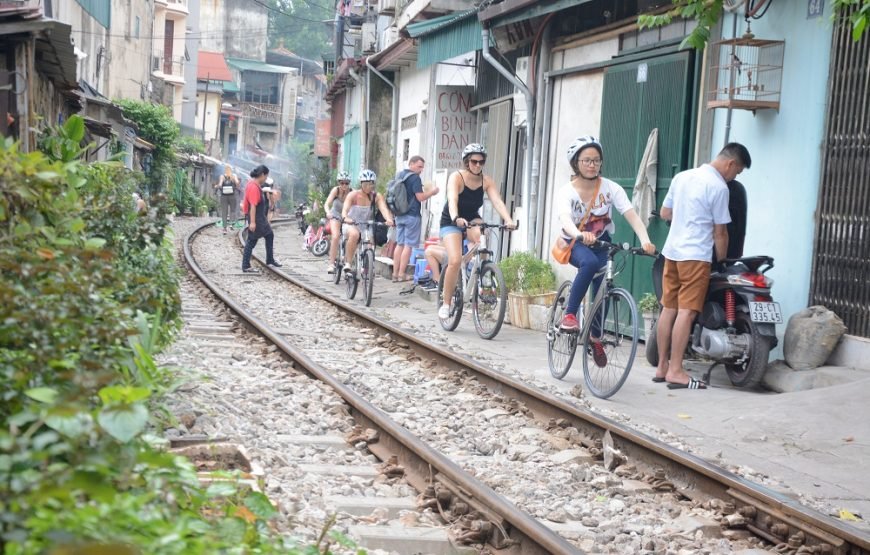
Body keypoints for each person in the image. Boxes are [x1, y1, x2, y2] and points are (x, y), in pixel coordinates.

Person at [655, 142, 751, 389]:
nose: (734, 177)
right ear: (730, 164)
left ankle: (662, 366)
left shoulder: (682, 176)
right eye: (737, 172)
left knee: (669, 308)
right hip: (695, 256)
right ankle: (676, 371)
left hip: (672, 253)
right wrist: (723, 260)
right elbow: (721, 233)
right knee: (686, 311)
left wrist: (685, 219)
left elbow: (665, 213)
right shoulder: (719, 187)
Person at [556, 136, 656, 366]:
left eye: (596, 160)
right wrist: (580, 234)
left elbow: (631, 214)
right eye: (586, 160)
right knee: (589, 264)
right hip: (574, 242)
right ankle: (570, 315)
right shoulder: (567, 192)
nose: (592, 165)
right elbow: (565, 220)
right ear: (576, 163)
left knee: (604, 286)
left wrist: (645, 240)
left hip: (602, 241)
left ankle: (595, 335)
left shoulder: (611, 188)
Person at [438, 144, 515, 320]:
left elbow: (497, 202)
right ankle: (446, 302)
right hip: (452, 220)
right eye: (474, 162)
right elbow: (452, 198)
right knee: (455, 260)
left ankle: (483, 276)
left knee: (483, 234)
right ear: (467, 162)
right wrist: (456, 217)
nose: (478, 165)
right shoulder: (457, 177)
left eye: (481, 162)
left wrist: (508, 220)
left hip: (472, 218)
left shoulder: (486, 181)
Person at [391, 156, 439, 282]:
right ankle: (402, 274)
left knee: (399, 244)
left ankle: (395, 274)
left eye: (422, 167)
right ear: (411, 164)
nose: (421, 169)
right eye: (419, 166)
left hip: (399, 215)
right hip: (412, 216)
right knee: (408, 246)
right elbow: (420, 197)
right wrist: (432, 192)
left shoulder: (400, 175)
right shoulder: (415, 178)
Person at [341, 169, 394, 274]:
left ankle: (367, 268)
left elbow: (384, 209)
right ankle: (348, 263)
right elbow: (345, 210)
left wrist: (388, 219)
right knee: (354, 234)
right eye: (365, 184)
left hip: (366, 225)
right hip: (351, 224)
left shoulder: (376, 196)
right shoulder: (353, 195)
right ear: (361, 184)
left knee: (370, 243)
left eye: (370, 184)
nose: (368, 186)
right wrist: (346, 217)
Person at [241, 165, 282, 273]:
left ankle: (270, 259)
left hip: (259, 217)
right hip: (257, 218)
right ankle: (246, 265)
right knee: (251, 240)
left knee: (269, 235)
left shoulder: (253, 184)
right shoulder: (254, 187)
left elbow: (262, 190)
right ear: (262, 174)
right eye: (266, 176)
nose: (266, 179)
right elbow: (253, 206)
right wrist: (253, 222)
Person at [325, 170, 352, 272]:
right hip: (335, 215)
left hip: (347, 216)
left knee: (351, 237)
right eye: (342, 183)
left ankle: (348, 260)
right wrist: (328, 212)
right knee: (335, 236)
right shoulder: (335, 191)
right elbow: (327, 203)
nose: (344, 185)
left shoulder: (352, 192)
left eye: (346, 183)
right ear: (338, 183)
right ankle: (331, 264)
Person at [214, 164, 239, 233]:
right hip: (232, 195)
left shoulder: (222, 176)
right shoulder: (234, 176)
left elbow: (220, 185)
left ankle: (224, 228)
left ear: (225, 170)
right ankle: (231, 224)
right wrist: (234, 179)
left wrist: (216, 186)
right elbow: (237, 183)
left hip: (224, 196)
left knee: (224, 212)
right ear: (231, 170)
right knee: (232, 210)